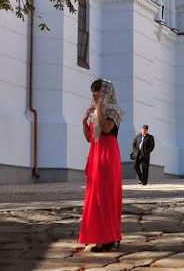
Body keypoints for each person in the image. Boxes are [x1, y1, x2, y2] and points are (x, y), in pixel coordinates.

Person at [79, 79, 123, 252]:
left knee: (105, 196)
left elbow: (106, 129)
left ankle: (108, 237)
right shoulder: (94, 113)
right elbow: (89, 138)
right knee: (95, 197)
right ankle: (99, 236)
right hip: (96, 153)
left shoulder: (113, 110)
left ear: (106, 92)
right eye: (93, 91)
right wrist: (84, 122)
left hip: (108, 154)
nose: (94, 94)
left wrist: (98, 109)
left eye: (97, 91)